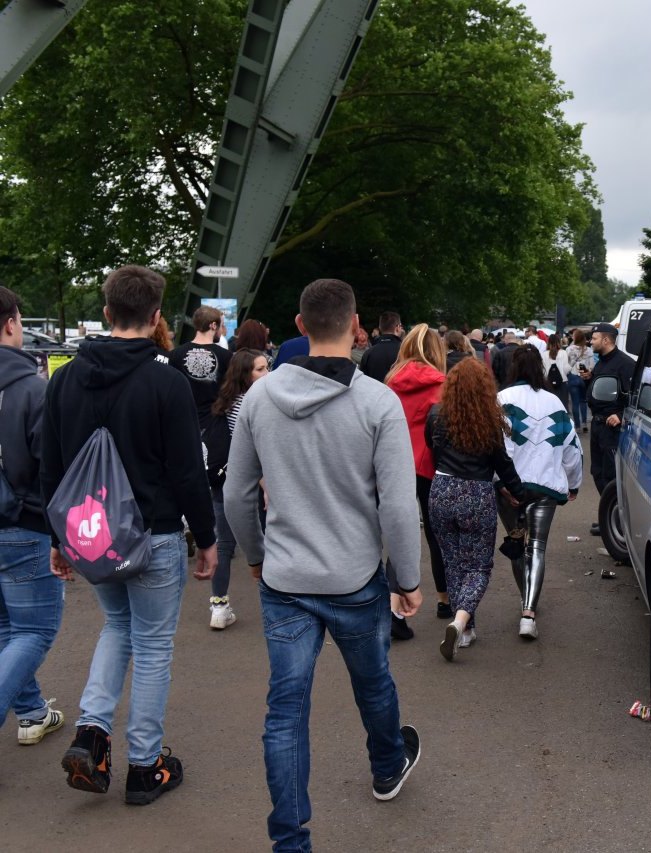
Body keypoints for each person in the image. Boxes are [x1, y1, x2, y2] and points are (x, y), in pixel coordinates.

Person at [224, 278, 423, 850]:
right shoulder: (377, 402)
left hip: (286, 577)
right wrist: (406, 579)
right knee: (373, 682)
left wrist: (258, 557)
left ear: (300, 324)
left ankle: (289, 839)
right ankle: (387, 765)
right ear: (356, 325)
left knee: (285, 708)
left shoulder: (258, 400)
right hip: (354, 576)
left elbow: (237, 495)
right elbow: (397, 504)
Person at [41, 265, 217, 805]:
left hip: (90, 534)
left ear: (107, 312)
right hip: (154, 532)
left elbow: (53, 465)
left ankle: (92, 736)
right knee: (154, 643)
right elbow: (187, 471)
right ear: (157, 316)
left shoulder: (65, 377)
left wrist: (58, 537)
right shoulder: (167, 381)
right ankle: (145, 765)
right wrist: (206, 537)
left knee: (117, 626)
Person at [426, 358, 524, 660]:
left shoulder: (436, 415)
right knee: (478, 566)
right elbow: (502, 463)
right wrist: (519, 493)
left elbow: (433, 449)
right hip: (475, 493)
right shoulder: (488, 419)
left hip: (441, 489)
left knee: (452, 562)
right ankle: (461, 619)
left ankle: (465, 631)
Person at [0, 286, 64, 746]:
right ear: (10, 324)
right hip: (22, 522)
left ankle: (31, 712)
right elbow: (50, 467)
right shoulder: (31, 389)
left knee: (7, 628)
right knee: (34, 630)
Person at [496, 346, 583, 639]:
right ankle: (528, 612)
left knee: (517, 545)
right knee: (537, 548)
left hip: (509, 488)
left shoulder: (502, 400)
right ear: (540, 368)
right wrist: (574, 483)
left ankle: (526, 597)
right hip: (545, 487)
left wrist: (499, 481)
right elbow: (572, 448)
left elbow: (492, 445)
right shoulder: (555, 404)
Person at [385, 324, 451, 633]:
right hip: (428, 466)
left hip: (394, 464)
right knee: (436, 536)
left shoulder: (390, 382)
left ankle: (393, 607)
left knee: (400, 533)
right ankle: (444, 599)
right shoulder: (442, 384)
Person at [205, 349, 269, 630]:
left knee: (224, 544)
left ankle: (219, 605)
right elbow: (255, 451)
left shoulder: (225, 403)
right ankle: (273, 604)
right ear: (246, 374)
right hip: (251, 483)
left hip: (224, 483)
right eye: (260, 369)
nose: (267, 374)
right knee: (267, 544)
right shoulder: (253, 404)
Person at [579, 322, 635, 536]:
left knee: (612, 476)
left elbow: (634, 397)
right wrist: (589, 381)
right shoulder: (601, 363)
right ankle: (608, 517)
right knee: (598, 473)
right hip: (598, 425)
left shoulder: (625, 364)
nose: (590, 342)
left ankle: (618, 523)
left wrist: (620, 416)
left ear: (606, 340)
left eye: (594, 338)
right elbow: (601, 392)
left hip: (612, 429)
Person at [169, 305, 231, 427]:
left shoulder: (175, 354)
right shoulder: (226, 356)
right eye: (221, 325)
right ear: (213, 325)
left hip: (182, 423)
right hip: (214, 425)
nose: (222, 330)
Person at [360, 310, 403, 383]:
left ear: (380, 327)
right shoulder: (406, 351)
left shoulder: (368, 354)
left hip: (374, 393)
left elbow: (363, 382)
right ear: (398, 327)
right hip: (398, 394)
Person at [565, 328, 591, 433]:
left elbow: (566, 364)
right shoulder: (589, 350)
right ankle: (584, 423)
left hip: (572, 376)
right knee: (583, 401)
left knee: (575, 403)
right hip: (584, 377)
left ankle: (577, 426)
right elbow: (591, 365)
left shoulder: (569, 349)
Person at [543, 333, 571, 411]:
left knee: (550, 408)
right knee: (562, 407)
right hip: (562, 382)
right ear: (559, 342)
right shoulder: (563, 353)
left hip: (548, 383)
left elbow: (543, 370)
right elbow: (566, 369)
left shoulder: (544, 354)